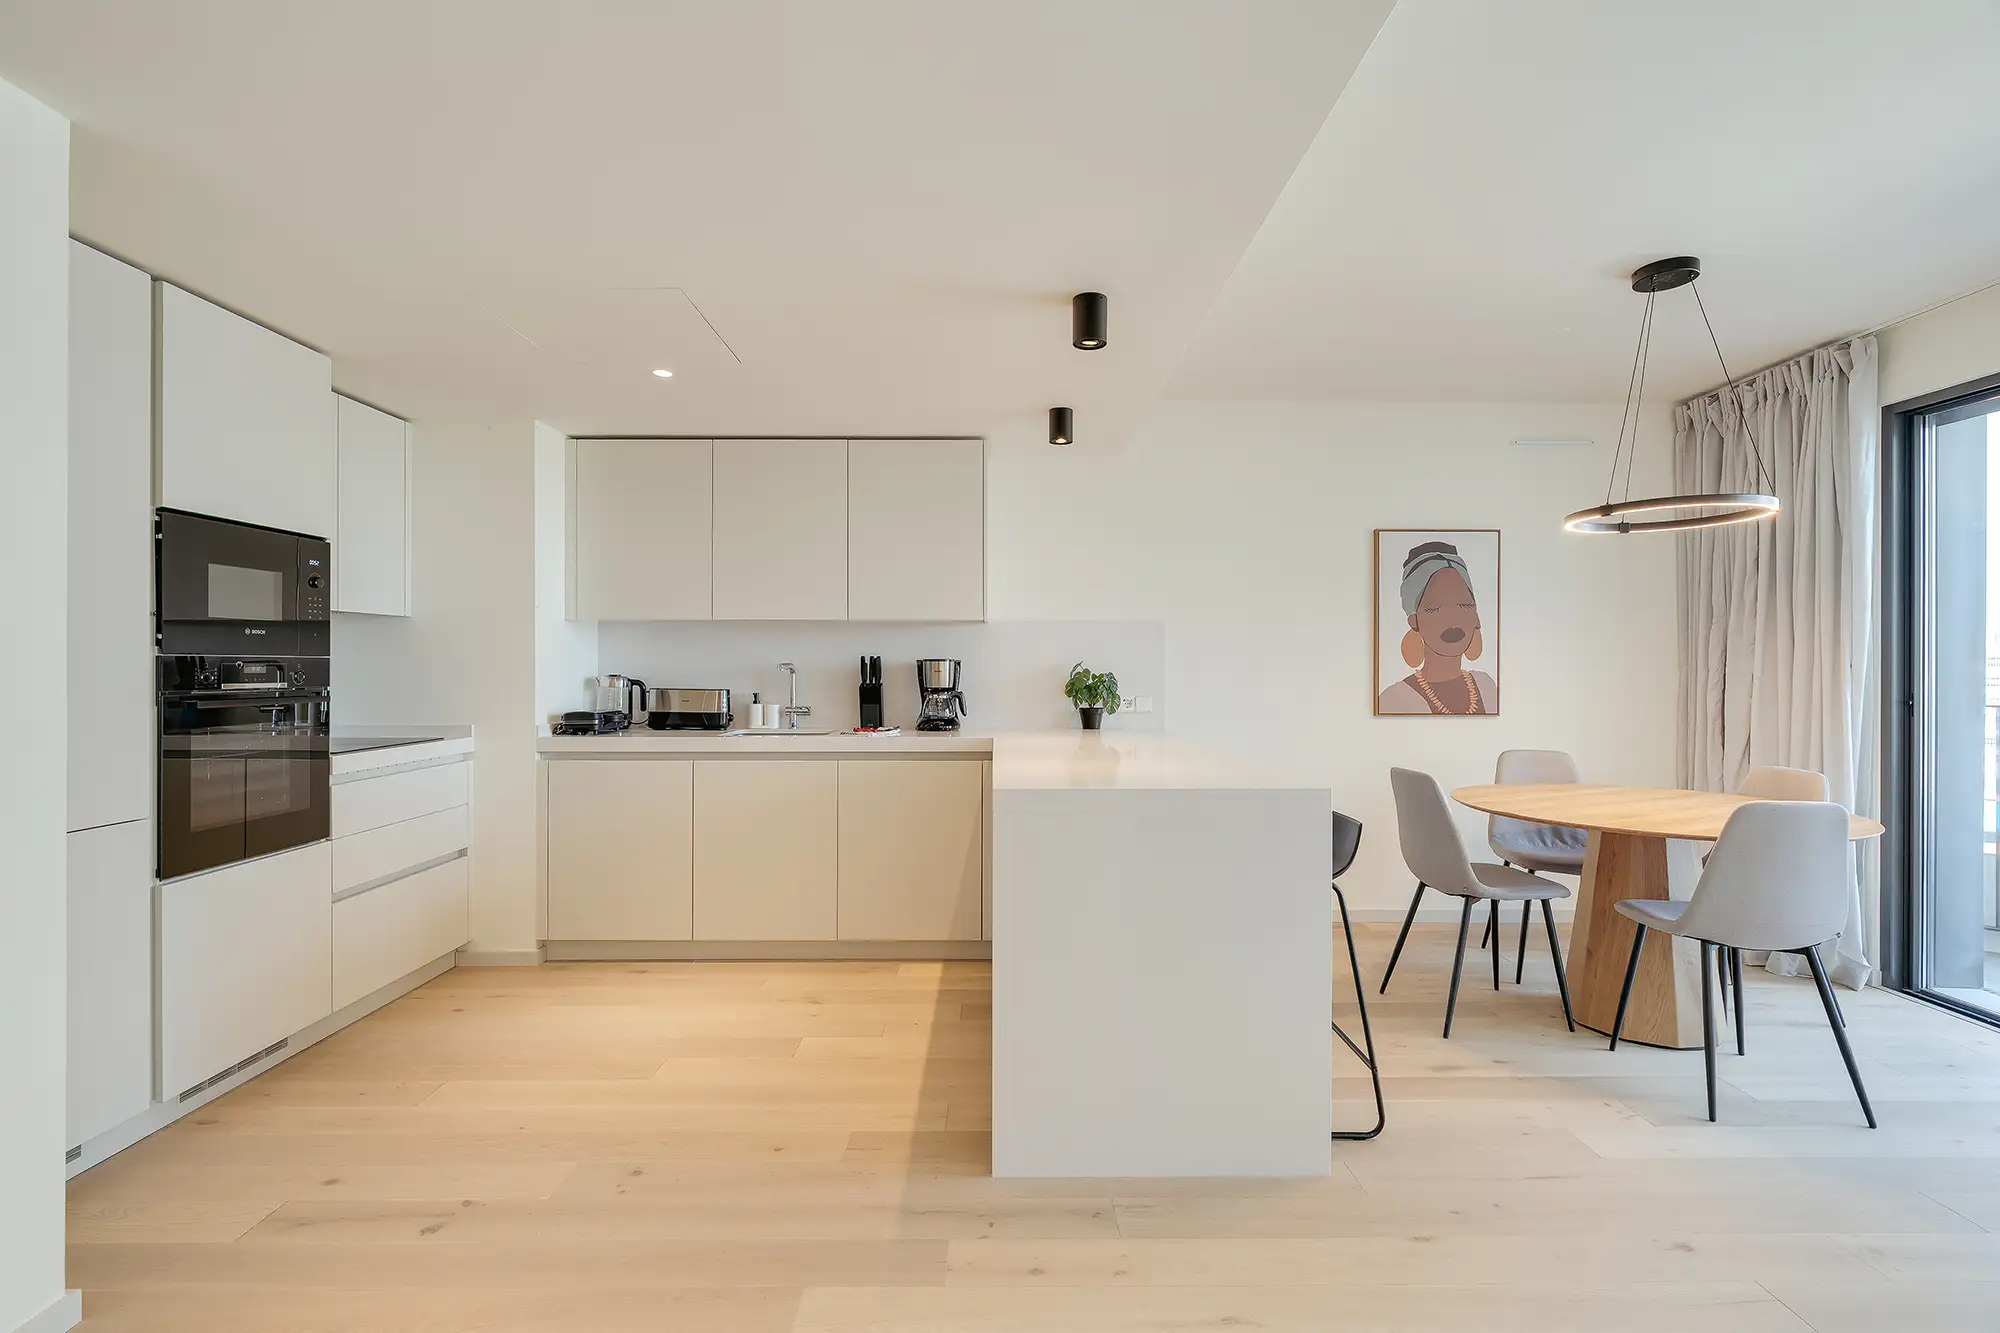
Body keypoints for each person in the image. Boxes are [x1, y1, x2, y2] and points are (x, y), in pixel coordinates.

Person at [1377, 540, 1497, 715]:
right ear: (1414, 621)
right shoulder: (1394, 699)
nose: (1452, 620)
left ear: (1476, 618)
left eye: (1464, 605)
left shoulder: (1486, 685)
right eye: (1434, 608)